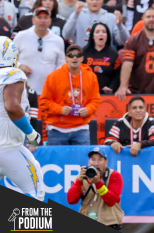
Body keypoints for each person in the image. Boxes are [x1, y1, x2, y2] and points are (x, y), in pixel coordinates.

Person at [0, 36, 44, 201]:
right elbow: (11, 106)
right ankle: (27, 228)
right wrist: (31, 134)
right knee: (35, 192)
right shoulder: (12, 74)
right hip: (8, 146)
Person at [39, 45, 101, 145]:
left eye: (78, 55)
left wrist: (88, 109)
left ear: (82, 58)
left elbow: (95, 100)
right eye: (71, 55)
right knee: (58, 161)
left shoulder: (91, 76)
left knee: (82, 160)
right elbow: (44, 101)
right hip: (57, 129)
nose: (75, 58)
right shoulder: (53, 76)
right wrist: (60, 109)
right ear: (66, 58)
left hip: (81, 128)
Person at [115, 8, 154, 102]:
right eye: (148, 17)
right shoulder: (133, 40)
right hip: (136, 92)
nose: (151, 19)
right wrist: (123, 86)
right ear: (142, 19)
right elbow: (127, 65)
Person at [67, 147, 124, 232]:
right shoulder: (82, 176)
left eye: (100, 160)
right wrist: (79, 182)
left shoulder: (114, 175)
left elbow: (111, 201)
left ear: (106, 162)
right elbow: (71, 200)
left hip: (110, 224)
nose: (96, 163)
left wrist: (98, 183)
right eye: (93, 160)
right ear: (88, 162)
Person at [13, 7, 66, 94]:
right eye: (39, 17)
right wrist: (19, 66)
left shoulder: (58, 40)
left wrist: (54, 78)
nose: (42, 21)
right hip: (23, 91)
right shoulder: (21, 36)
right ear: (33, 20)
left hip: (48, 92)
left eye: (45, 18)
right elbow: (9, 58)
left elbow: (61, 64)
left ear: (50, 21)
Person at [62, 0, 129, 47]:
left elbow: (125, 41)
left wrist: (120, 26)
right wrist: (75, 15)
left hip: (104, 59)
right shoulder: (78, 15)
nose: (94, 2)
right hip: (82, 59)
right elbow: (66, 36)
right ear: (86, 0)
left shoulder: (110, 17)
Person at [83, 22, 121, 94]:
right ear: (92, 36)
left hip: (106, 95)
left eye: (104, 32)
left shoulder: (114, 54)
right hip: (87, 93)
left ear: (107, 36)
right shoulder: (84, 53)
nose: (101, 34)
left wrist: (111, 88)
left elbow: (117, 76)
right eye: (97, 32)